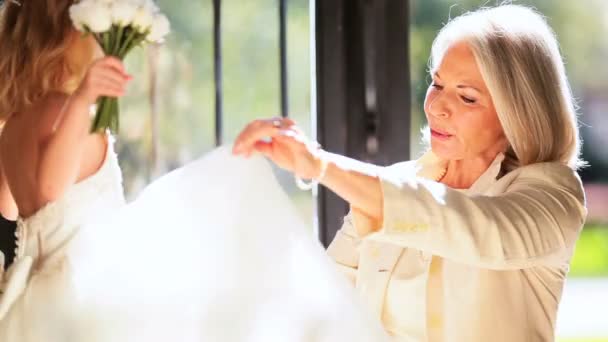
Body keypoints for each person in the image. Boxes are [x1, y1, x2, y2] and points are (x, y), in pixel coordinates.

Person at [0, 1, 389, 341]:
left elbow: (11, 209)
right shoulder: (74, 112)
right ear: (74, 29)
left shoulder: (13, 123)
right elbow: (51, 190)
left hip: (29, 295)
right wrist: (85, 99)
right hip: (79, 298)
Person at [233, 4, 587, 342]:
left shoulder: (553, 193)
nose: (437, 107)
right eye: (437, 84)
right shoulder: (395, 183)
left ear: (518, 113)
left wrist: (321, 165)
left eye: (466, 97)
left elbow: (475, 226)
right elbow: (324, 297)